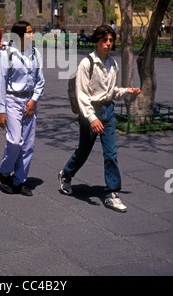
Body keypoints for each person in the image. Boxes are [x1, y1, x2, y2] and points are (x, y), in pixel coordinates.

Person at [58, 24, 141, 212]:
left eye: (111, 40)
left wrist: (126, 91)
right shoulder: (86, 64)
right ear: (96, 41)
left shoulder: (113, 64)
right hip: (90, 112)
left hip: (108, 112)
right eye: (105, 40)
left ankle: (112, 193)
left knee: (111, 154)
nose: (109, 44)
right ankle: (65, 175)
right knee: (83, 151)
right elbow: (82, 94)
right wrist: (92, 117)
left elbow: (110, 92)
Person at [0, 21, 45, 196]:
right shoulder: (7, 55)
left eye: (32, 31)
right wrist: (1, 111)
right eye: (29, 32)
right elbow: (1, 84)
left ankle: (19, 181)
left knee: (28, 144)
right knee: (15, 140)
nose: (33, 35)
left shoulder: (35, 54)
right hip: (12, 100)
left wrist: (33, 100)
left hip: (30, 101)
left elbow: (40, 81)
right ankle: (4, 171)